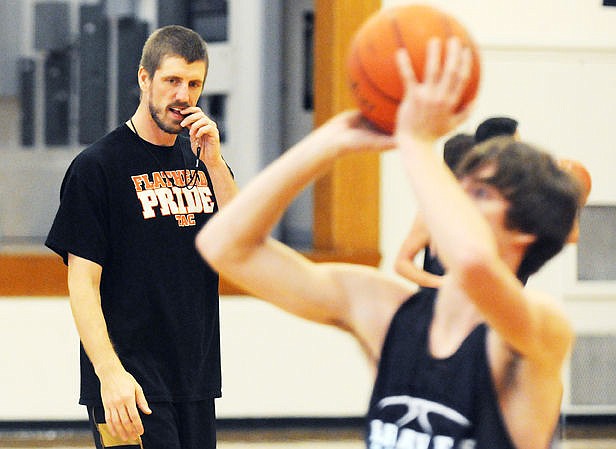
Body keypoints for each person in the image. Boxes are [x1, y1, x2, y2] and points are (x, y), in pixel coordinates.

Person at [196, 37, 581, 449]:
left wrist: (415, 141)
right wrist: (329, 141)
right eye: (458, 185)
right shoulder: (390, 311)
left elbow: (474, 264)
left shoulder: (540, 328)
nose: (454, 197)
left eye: (481, 193)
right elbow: (223, 246)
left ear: (524, 232)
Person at [46, 25, 236, 449]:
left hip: (194, 379)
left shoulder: (204, 161)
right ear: (144, 79)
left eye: (194, 84)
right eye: (172, 81)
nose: (183, 96)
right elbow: (82, 284)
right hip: (128, 388)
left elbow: (240, 240)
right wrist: (109, 373)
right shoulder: (97, 168)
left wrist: (218, 166)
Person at [394, 133, 475, 288]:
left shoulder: (485, 209)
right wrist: (439, 283)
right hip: (438, 304)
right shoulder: (434, 210)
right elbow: (402, 263)